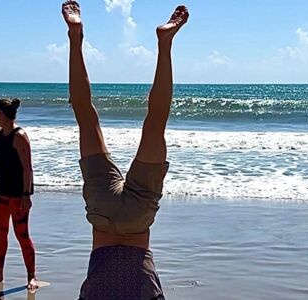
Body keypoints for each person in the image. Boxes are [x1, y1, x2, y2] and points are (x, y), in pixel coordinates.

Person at [62, 1, 188, 299]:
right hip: (102, 210)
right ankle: (75, 36)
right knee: (84, 114)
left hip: (137, 219)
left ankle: (165, 44)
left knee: (156, 121)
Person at [0, 98, 38, 292]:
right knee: (0, 235)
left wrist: (26, 195)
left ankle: (32, 276)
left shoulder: (20, 136)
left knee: (22, 235)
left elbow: (27, 169)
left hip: (17, 196)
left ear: (1, 113)